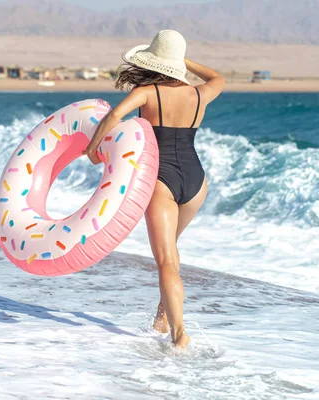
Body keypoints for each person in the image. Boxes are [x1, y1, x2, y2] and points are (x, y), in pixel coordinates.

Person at [83, 30, 225, 348]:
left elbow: (116, 115)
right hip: (196, 182)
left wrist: (93, 148)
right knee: (170, 253)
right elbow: (218, 77)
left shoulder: (148, 92)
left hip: (161, 181)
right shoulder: (201, 93)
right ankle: (163, 320)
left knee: (165, 261)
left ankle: (179, 334)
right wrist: (180, 61)